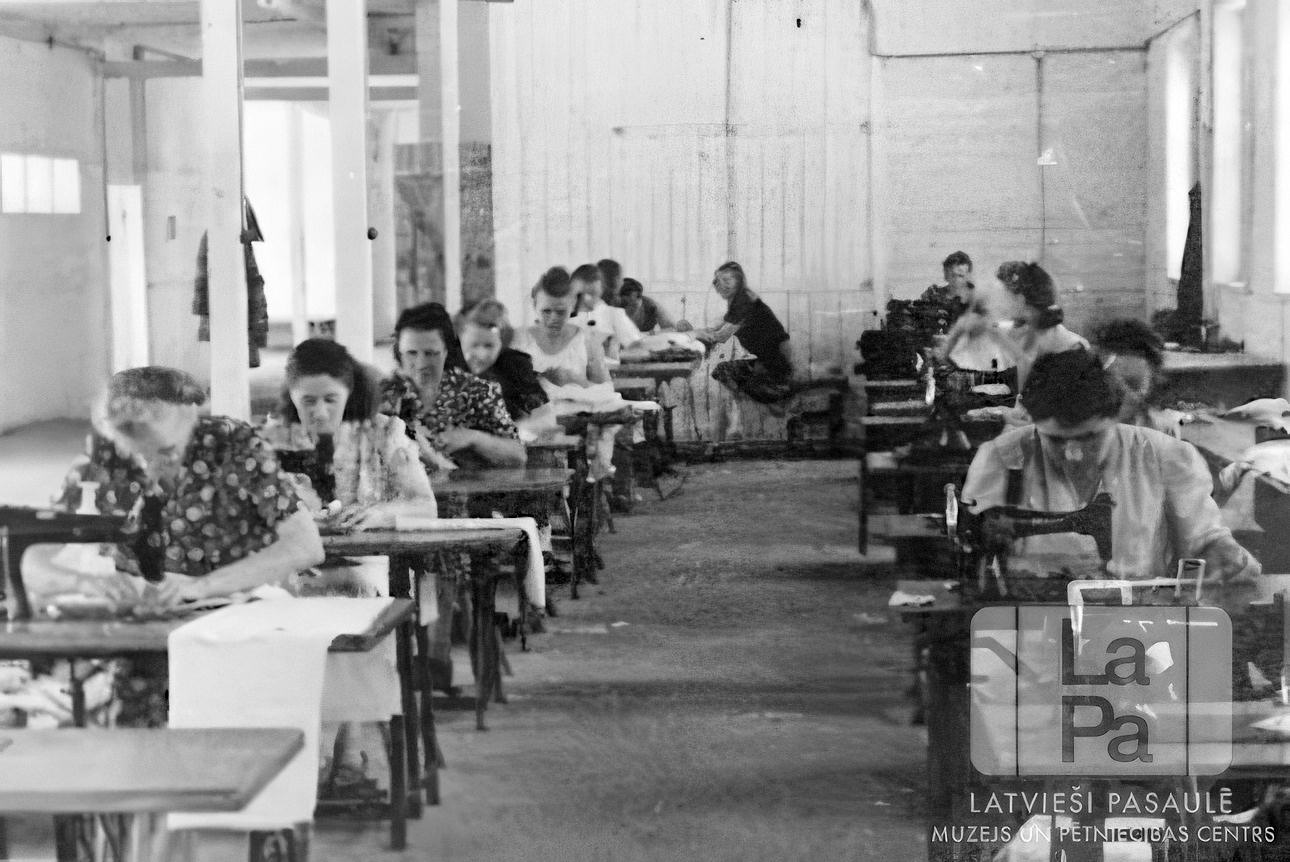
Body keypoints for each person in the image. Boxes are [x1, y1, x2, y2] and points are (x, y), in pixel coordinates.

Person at [47, 366, 326, 727]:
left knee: (226, 715)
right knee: (122, 711)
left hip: (233, 613)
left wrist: (201, 586)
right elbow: (31, 559)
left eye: (165, 451)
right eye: (136, 452)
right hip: (144, 631)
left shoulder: (234, 445)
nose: (150, 467)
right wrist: (85, 583)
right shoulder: (102, 456)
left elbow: (305, 546)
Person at [268, 338, 435, 798]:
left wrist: (380, 513)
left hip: (370, 566)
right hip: (302, 568)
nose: (319, 412)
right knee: (289, 605)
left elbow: (425, 505)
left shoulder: (385, 433)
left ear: (350, 393)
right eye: (307, 401)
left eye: (330, 399)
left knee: (350, 597)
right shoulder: (274, 440)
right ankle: (337, 750)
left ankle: (331, 749)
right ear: (290, 397)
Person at [961, 350, 1259, 592]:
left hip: (1144, 630)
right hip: (1030, 625)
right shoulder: (999, 459)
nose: (1074, 453)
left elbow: (1205, 542)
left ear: (1115, 419)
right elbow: (974, 553)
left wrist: (1219, 553)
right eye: (1056, 440)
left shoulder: (1168, 458)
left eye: (1090, 438)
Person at [381, 303, 526, 470]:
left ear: (446, 351)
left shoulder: (476, 390)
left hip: (463, 485)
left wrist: (473, 437)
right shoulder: (383, 394)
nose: (421, 364)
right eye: (411, 353)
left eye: (430, 353)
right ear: (399, 353)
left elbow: (518, 456)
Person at [693, 261, 794, 405]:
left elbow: (722, 336)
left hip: (774, 364)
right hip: (768, 360)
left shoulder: (744, 301)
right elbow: (721, 326)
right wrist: (704, 331)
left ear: (739, 281)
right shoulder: (741, 299)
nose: (721, 285)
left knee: (722, 371)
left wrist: (692, 335)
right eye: (718, 281)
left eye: (727, 280)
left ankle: (763, 400)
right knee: (723, 370)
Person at [458, 299, 557, 435]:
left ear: (501, 342)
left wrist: (508, 434)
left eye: (489, 345)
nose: (481, 354)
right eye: (474, 345)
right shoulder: (449, 367)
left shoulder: (515, 365)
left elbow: (546, 420)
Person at [512, 266, 611, 390]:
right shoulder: (519, 340)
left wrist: (576, 381)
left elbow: (606, 389)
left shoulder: (587, 341)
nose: (553, 318)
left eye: (560, 312)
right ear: (535, 306)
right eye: (546, 311)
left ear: (572, 305)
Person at [996, 260, 1088, 392]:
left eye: (1003, 295)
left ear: (1020, 299)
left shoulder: (1060, 342)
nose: (998, 302)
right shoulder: (1023, 326)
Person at [1091, 318, 1180, 437]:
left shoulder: (1163, 430)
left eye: (1133, 384)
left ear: (1153, 381)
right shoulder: (1081, 434)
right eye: (1114, 387)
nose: (1127, 396)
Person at [571, 263, 642, 361]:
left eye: (592, 294)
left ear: (600, 291)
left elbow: (637, 346)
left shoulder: (613, 315)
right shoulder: (561, 315)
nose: (586, 299)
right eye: (579, 295)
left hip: (607, 367)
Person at [920, 250, 976, 323]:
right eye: (952, 275)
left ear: (968, 276)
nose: (956, 280)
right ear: (946, 274)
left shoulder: (977, 298)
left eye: (960, 276)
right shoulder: (932, 295)